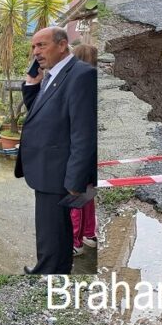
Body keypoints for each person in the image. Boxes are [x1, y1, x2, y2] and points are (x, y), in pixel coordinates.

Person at [16, 27, 97, 275]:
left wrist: (75, 180)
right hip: (46, 169)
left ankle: (48, 272)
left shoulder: (81, 75)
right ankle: (51, 267)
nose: (36, 52)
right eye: (33, 47)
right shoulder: (53, 75)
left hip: (59, 172)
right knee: (54, 232)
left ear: (62, 45)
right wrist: (32, 83)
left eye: (41, 45)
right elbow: (39, 113)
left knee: (53, 231)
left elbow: (84, 133)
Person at [70, 43, 98, 256]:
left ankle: (75, 241)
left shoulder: (78, 83)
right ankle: (89, 234)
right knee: (88, 195)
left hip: (79, 149)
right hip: (92, 151)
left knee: (77, 196)